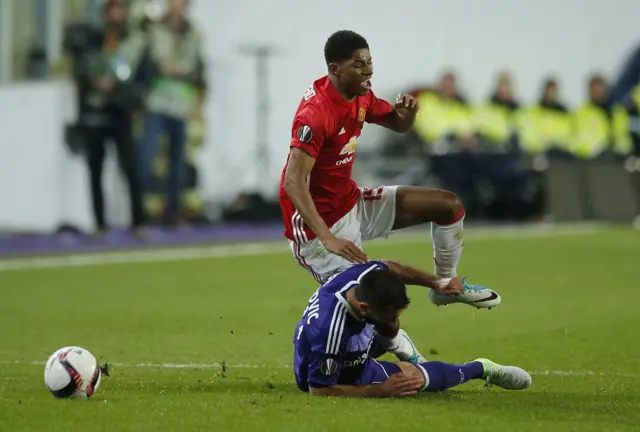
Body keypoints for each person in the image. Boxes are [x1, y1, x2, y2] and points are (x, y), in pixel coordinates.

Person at [279, 30, 499, 309]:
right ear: (334, 70)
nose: (368, 70)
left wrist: (406, 118)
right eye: (358, 64)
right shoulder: (315, 114)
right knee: (373, 305)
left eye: (369, 61)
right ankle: (398, 350)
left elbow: (396, 123)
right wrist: (327, 238)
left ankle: (446, 285)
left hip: (352, 203)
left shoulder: (360, 95)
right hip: (316, 229)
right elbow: (293, 182)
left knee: (448, 205)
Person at [293, 260, 532, 397]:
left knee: (389, 330)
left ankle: (399, 346)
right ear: (364, 308)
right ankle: (481, 368)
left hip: (346, 336)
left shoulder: (363, 275)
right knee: (412, 379)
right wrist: (377, 391)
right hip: (327, 365)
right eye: (388, 316)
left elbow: (391, 267)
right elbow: (319, 390)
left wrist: (436, 282)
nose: (394, 320)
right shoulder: (331, 333)